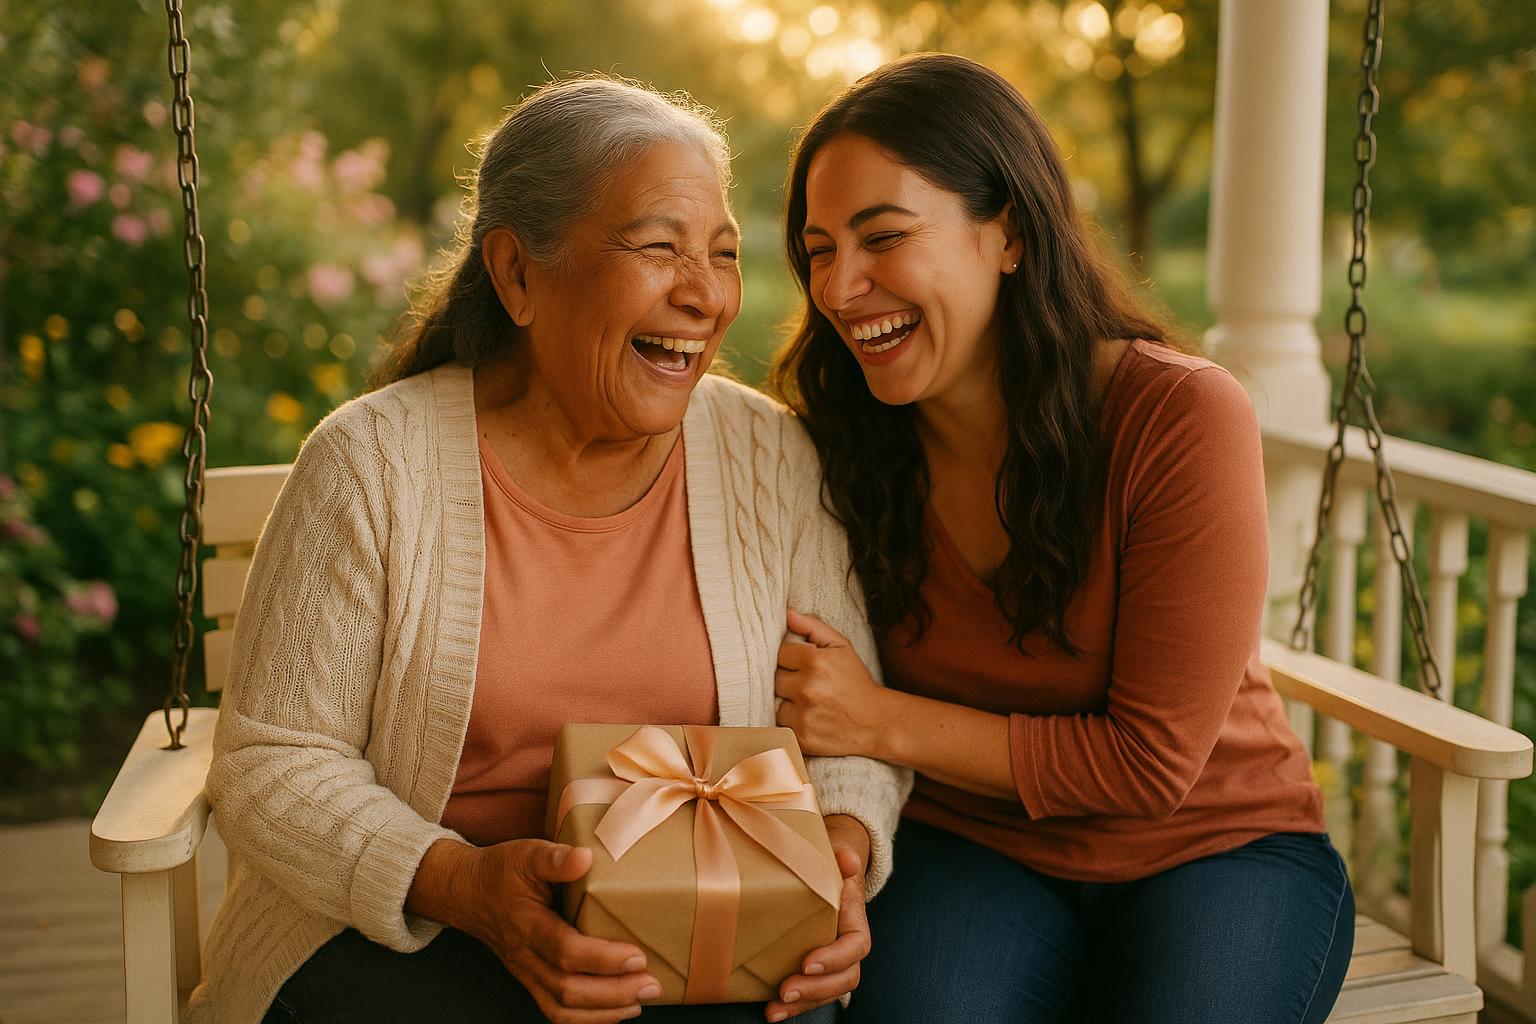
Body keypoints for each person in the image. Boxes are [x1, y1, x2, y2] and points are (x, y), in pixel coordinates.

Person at [188, 76, 910, 1024]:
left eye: (723, 254)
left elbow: (846, 732)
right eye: (659, 247)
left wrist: (840, 858)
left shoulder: (766, 456)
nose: (704, 294)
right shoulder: (371, 464)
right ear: (518, 274)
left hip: (695, 932)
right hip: (412, 926)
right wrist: (464, 884)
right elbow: (273, 762)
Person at [769, 53, 1352, 1024]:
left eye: (883, 237)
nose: (840, 286)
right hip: (972, 847)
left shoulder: (1177, 416)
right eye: (819, 249)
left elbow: (1147, 763)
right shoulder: (836, 443)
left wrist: (878, 719)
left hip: (1215, 846)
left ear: (1011, 234)